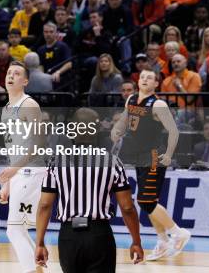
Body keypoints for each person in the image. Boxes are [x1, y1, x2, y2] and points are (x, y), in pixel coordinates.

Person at [36, 108, 144, 272]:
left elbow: (45, 205)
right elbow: (128, 207)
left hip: (68, 236)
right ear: (98, 129)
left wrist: (39, 243)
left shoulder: (56, 162)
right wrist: (136, 241)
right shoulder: (112, 162)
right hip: (99, 234)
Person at [111, 69, 191, 261]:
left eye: (150, 78)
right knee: (148, 202)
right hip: (139, 157)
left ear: (156, 84)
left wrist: (169, 155)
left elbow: (174, 131)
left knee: (146, 201)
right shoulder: (131, 99)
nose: (145, 79)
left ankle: (177, 232)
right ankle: (162, 240)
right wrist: (117, 130)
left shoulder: (158, 104)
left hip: (155, 156)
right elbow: (124, 120)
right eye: (143, 76)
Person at [0, 61, 46, 273]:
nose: (11, 76)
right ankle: (39, 268)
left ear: (25, 81)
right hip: (20, 174)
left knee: (15, 228)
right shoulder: (6, 109)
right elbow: (12, 149)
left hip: (32, 172)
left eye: (16, 74)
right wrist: (7, 183)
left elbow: (39, 143)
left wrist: (14, 171)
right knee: (18, 228)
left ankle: (33, 270)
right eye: (9, 72)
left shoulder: (29, 105)